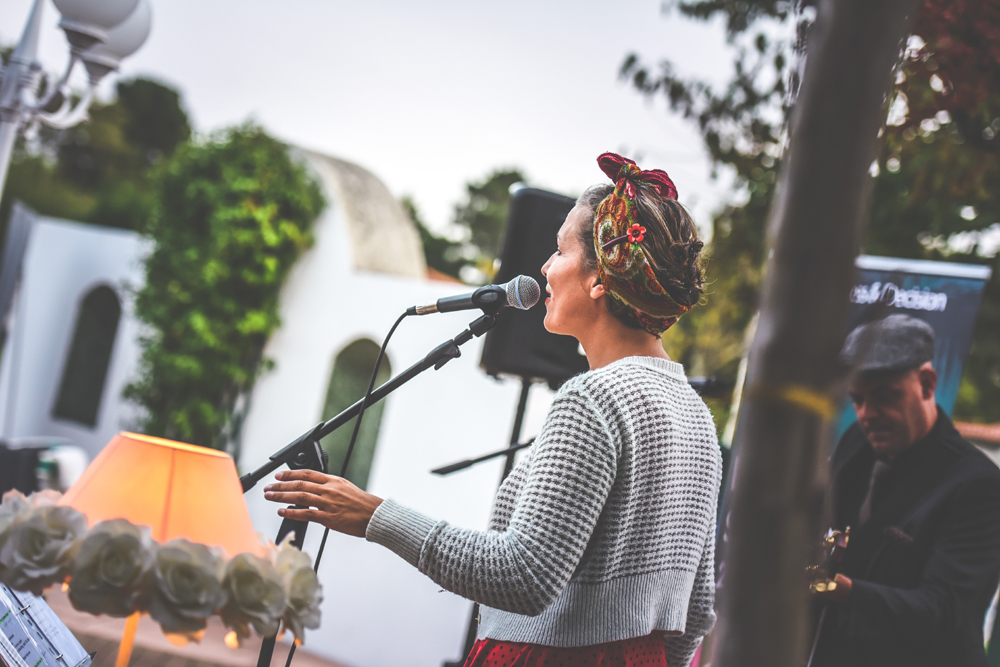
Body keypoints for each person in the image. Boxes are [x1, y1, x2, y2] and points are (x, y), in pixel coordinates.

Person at [264, 153, 723, 667]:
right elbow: (698, 611)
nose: (546, 269)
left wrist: (374, 515)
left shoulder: (593, 401)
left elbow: (522, 576)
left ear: (602, 278)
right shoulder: (696, 417)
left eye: (559, 250)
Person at [810, 314, 1000, 667]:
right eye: (857, 399)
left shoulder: (980, 487)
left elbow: (941, 610)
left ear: (927, 384)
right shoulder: (855, 444)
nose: (867, 414)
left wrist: (826, 585)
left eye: (884, 397)